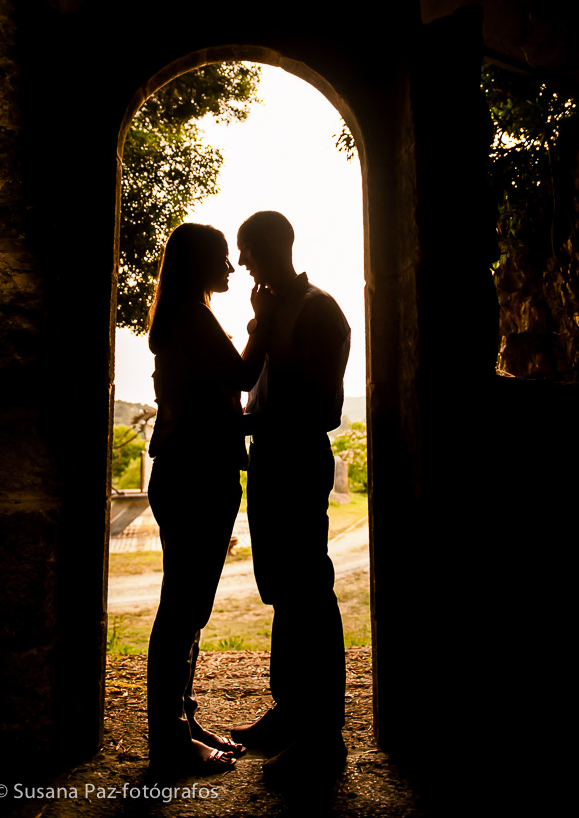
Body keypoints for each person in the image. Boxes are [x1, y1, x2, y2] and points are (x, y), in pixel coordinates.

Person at [146, 222, 274, 777]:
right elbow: (243, 375)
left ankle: (182, 719)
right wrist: (263, 322)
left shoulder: (182, 316)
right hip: (196, 475)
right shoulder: (192, 318)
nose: (231, 267)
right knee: (182, 608)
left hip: (188, 470)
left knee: (188, 606)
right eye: (221, 257)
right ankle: (169, 737)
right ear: (198, 264)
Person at [230, 211, 351, 779]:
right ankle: (291, 709)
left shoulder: (319, 310)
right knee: (283, 589)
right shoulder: (274, 310)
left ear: (263, 247)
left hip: (298, 464)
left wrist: (246, 427)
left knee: (309, 590)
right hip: (272, 466)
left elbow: (323, 407)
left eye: (245, 250)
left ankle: (324, 734)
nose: (241, 263)